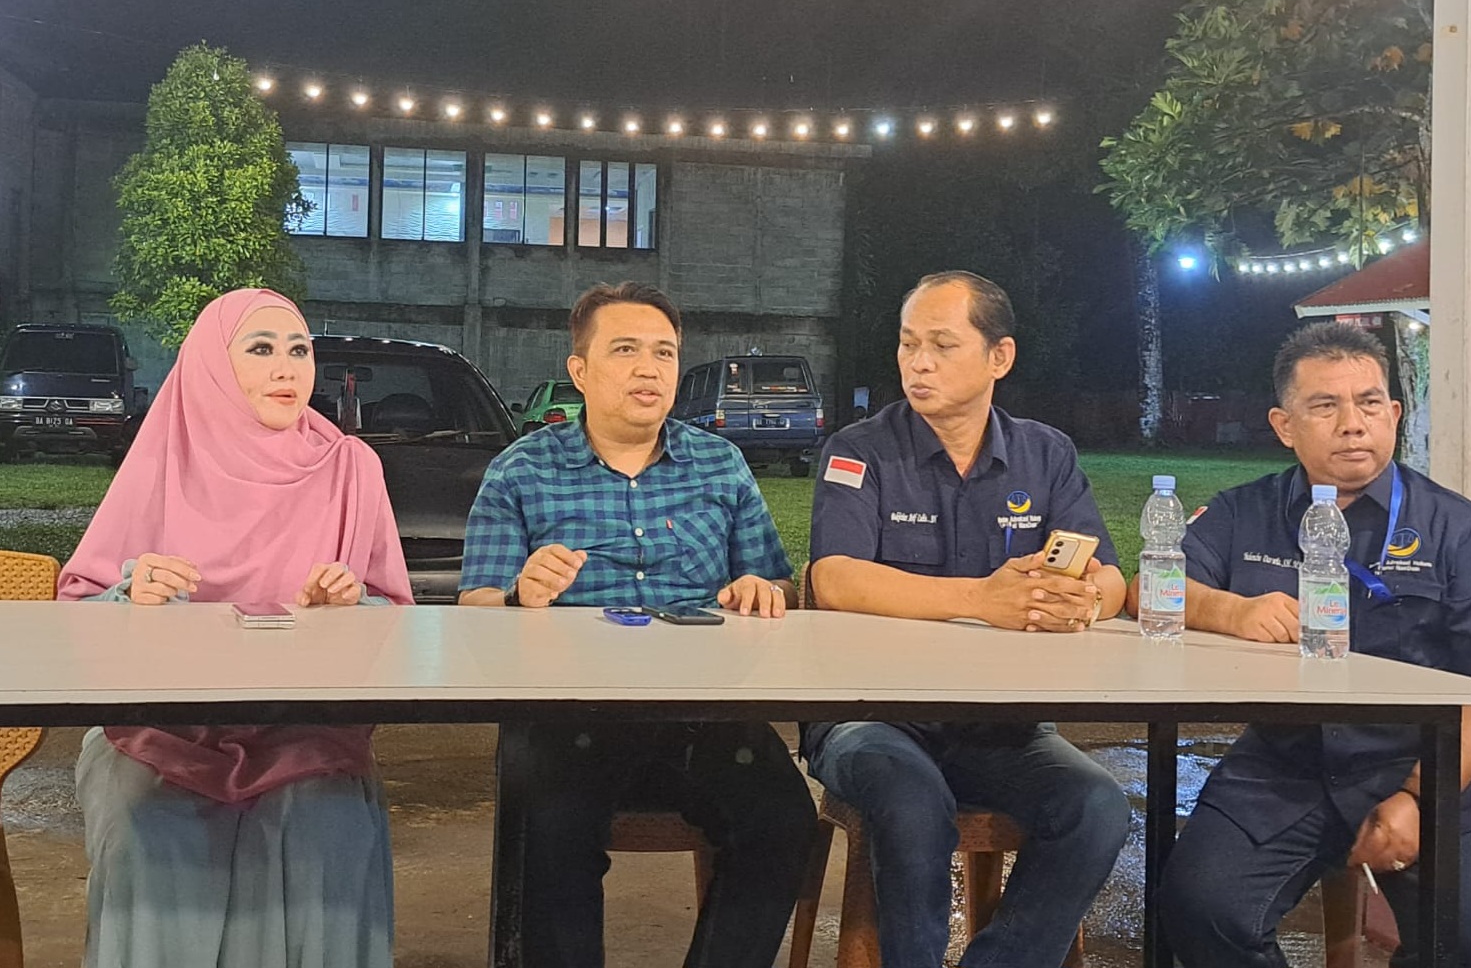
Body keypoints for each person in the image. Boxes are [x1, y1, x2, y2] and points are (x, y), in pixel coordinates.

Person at [459, 281, 817, 968]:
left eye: (663, 352)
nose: (648, 368)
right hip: (568, 711)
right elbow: (474, 610)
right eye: (625, 350)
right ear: (580, 370)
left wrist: (761, 589)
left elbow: (779, 584)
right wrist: (518, 596)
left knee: (781, 821)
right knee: (548, 831)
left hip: (704, 708)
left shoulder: (720, 463)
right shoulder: (521, 471)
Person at [58, 289, 413, 968]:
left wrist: (352, 605)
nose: (286, 368)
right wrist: (131, 591)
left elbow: (395, 622)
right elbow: (76, 612)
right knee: (148, 825)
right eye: (260, 349)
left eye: (300, 350)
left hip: (307, 731)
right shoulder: (163, 459)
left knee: (325, 824)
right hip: (163, 730)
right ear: (213, 366)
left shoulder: (349, 468)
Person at [804, 270, 1131, 968]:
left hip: (1000, 723)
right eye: (907, 344)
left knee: (1098, 806)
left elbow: (1109, 576)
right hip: (871, 715)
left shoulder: (1045, 454)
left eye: (941, 345)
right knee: (910, 799)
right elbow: (833, 578)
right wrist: (980, 599)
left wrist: (1085, 601)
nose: (918, 363)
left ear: (998, 357)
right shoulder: (859, 451)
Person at [1156, 321, 1471, 967]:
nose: (1352, 424)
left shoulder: (1452, 527)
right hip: (1286, 761)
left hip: (1427, 760)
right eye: (1325, 406)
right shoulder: (1245, 511)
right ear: (1284, 425)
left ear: (1393, 414)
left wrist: (1420, 794)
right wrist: (1229, 609)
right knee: (1197, 908)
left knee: (1460, 938)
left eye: (1368, 403)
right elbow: (1152, 586)